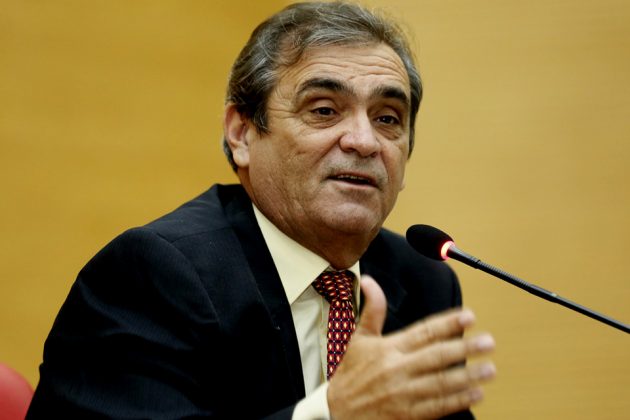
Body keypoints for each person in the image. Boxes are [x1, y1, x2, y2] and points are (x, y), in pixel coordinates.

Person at [27, 2, 496, 419]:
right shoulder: (154, 277)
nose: (364, 141)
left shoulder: (422, 282)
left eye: (388, 118)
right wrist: (331, 414)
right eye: (324, 110)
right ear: (242, 134)